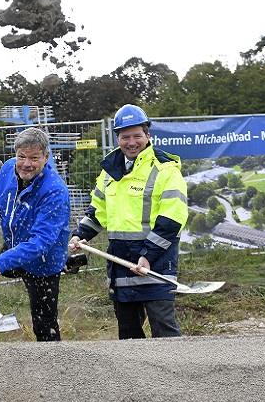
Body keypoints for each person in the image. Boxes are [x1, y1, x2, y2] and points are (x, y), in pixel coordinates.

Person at [69, 104, 188, 339]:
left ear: (148, 136)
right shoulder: (109, 172)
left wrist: (148, 255)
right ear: (117, 138)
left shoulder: (166, 170)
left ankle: (180, 374)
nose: (131, 142)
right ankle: (137, 376)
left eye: (137, 136)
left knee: (165, 330)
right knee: (129, 334)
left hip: (155, 263)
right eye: (125, 137)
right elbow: (97, 212)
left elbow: (172, 220)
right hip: (120, 261)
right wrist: (81, 234)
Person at [0, 128, 71, 341]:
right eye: (21, 157)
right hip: (15, 246)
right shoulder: (8, 169)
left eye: (34, 158)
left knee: (44, 321)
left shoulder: (54, 190)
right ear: (15, 154)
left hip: (43, 259)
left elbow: (40, 243)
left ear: (46, 157)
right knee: (1, 266)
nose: (26, 164)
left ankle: (53, 361)